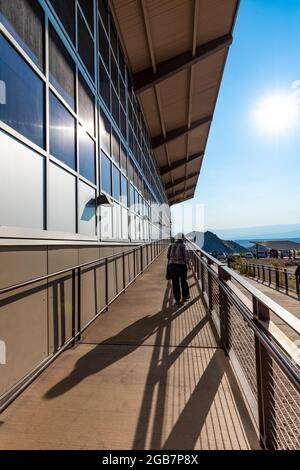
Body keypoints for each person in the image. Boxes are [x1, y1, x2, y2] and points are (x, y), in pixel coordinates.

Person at [167, 236, 190, 305]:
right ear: (182, 239)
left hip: (172, 266)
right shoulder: (183, 246)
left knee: (175, 283)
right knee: (183, 281)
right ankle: (185, 296)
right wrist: (189, 265)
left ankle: (177, 300)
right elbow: (186, 257)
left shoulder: (171, 245)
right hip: (181, 266)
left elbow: (167, 256)